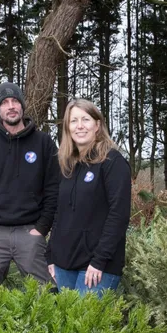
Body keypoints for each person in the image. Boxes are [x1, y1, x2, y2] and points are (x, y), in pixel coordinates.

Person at [0, 82, 60, 301]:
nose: (11, 106)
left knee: (46, 295)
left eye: (15, 101)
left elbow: (54, 190)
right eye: (5, 103)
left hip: (30, 233)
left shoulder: (43, 143)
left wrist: (42, 228)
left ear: (22, 106)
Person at [46, 99, 131, 296]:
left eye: (86, 119)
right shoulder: (66, 165)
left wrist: (99, 261)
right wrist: (50, 256)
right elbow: (59, 213)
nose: (80, 126)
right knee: (65, 325)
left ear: (97, 125)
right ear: (68, 127)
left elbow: (118, 216)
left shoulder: (113, 162)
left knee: (84, 325)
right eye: (74, 121)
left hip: (96, 268)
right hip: (63, 265)